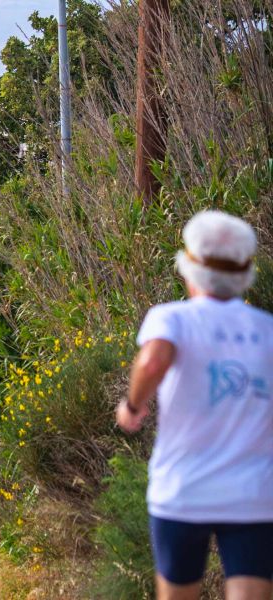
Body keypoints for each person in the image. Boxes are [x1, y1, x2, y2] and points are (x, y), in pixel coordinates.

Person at [117, 210, 273, 600]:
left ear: (190, 270)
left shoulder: (171, 318)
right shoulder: (266, 328)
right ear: (245, 272)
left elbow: (153, 360)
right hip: (253, 492)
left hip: (183, 489)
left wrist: (133, 405)